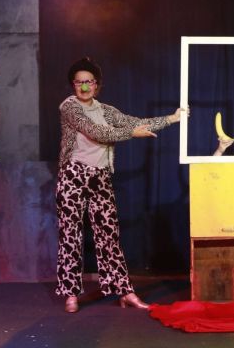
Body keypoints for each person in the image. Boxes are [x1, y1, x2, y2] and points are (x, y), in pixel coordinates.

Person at [56, 57, 182, 313]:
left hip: (100, 176)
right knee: (71, 235)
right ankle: (70, 294)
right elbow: (97, 132)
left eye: (89, 82)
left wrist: (172, 118)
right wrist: (131, 134)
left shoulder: (105, 110)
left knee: (109, 235)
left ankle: (125, 292)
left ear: (97, 85)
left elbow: (134, 122)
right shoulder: (69, 107)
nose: (84, 87)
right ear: (73, 85)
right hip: (73, 174)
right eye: (79, 82)